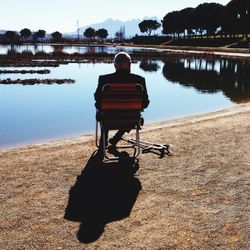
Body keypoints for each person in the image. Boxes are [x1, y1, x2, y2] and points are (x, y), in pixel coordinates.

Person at [94, 52, 149, 151]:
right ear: (129, 64)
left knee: (102, 110)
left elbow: (97, 99)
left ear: (115, 65)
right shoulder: (139, 80)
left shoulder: (104, 79)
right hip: (131, 119)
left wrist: (99, 107)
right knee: (130, 111)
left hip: (108, 119)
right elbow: (145, 103)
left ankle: (103, 141)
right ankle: (115, 139)